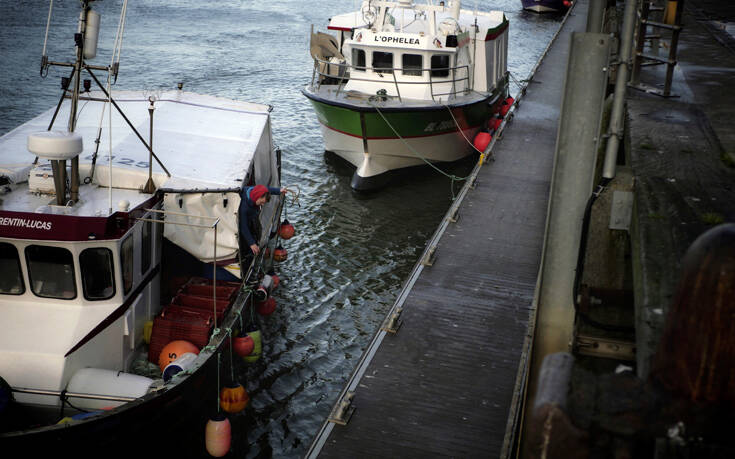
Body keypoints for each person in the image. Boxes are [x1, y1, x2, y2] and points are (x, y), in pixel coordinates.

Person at [239, 184, 287, 256]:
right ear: (257, 197)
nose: (262, 205)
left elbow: (266, 189)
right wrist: (251, 243)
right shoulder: (244, 208)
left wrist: (279, 191)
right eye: (261, 202)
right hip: (247, 221)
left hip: (253, 217)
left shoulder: (253, 190)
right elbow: (243, 226)